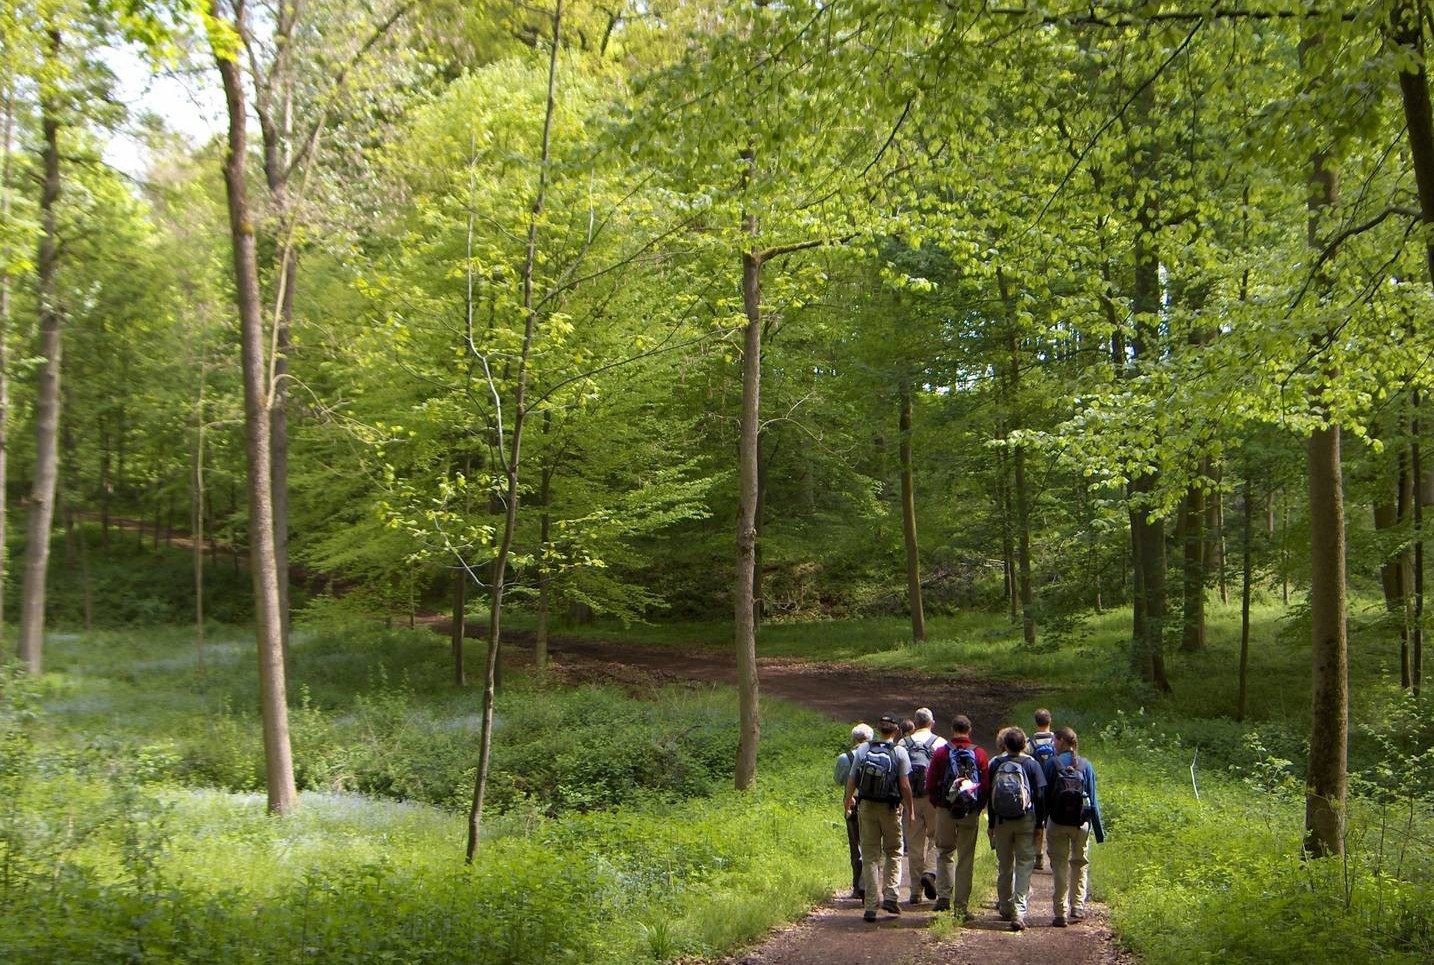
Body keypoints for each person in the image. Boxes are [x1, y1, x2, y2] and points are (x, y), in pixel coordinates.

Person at [843, 714, 915, 922]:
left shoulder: (864, 749)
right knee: (894, 851)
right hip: (890, 809)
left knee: (870, 856)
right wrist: (910, 809)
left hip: (866, 806)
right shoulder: (899, 752)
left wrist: (848, 802)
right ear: (896, 731)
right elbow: (904, 785)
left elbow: (852, 779)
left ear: (878, 729)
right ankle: (891, 895)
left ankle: (870, 905)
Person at [925, 714, 988, 919]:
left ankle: (943, 897)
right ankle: (961, 906)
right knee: (965, 858)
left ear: (952, 730)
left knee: (944, 852)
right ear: (969, 730)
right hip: (969, 811)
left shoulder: (942, 752)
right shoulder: (979, 753)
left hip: (945, 810)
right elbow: (985, 785)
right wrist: (978, 806)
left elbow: (930, 782)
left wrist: (939, 804)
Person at [1043, 726, 1105, 927]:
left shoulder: (1052, 764)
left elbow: (1044, 796)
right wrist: (1099, 831)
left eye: (1055, 740)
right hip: (1081, 823)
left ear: (1061, 741)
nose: (1053, 744)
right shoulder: (1086, 765)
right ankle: (1077, 906)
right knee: (1080, 863)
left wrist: (1040, 823)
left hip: (1057, 822)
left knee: (1059, 865)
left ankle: (1060, 912)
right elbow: (1093, 800)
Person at [986, 726, 1047, 932]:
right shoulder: (1031, 764)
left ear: (1005, 744)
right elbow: (1039, 796)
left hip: (1002, 821)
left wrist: (991, 824)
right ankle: (1019, 911)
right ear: (1024, 745)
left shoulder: (995, 763)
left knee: (1004, 865)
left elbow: (989, 795)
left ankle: (1004, 906)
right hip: (1026, 820)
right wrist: (1039, 824)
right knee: (1024, 865)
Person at [901, 707, 945, 904]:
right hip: (933, 799)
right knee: (937, 838)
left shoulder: (903, 743)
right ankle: (930, 871)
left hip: (910, 798)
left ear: (915, 723)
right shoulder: (940, 743)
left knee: (914, 845)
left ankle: (915, 891)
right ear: (931, 723)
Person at [834, 723, 874, 900]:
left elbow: (838, 780)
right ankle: (871, 885)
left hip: (852, 804)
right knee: (872, 844)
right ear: (870, 739)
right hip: (872, 803)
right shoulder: (875, 755)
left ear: (853, 739)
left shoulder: (845, 758)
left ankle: (857, 887)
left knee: (855, 845)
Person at [1029, 709, 1057, 870]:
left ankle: (1038, 856)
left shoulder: (1030, 744)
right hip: (1054, 788)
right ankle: (1053, 855)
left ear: (1036, 722)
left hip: (1037, 788)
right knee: (1053, 822)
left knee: (1038, 822)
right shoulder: (1057, 741)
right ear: (1050, 721)